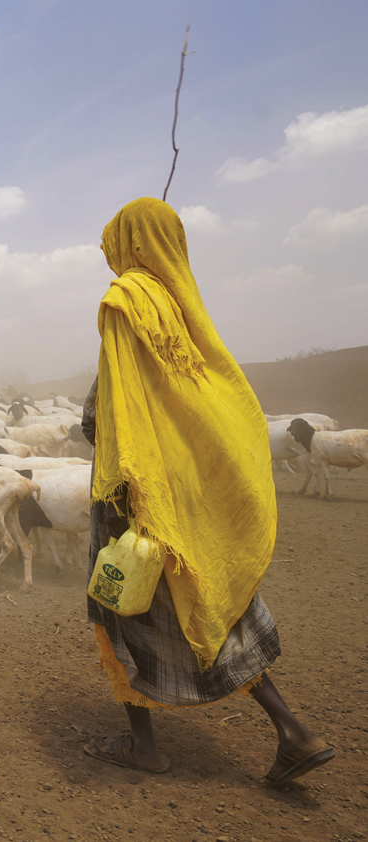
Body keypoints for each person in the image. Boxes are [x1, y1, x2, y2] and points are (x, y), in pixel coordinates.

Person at [81, 197, 333, 784]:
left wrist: (123, 488)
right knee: (214, 609)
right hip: (194, 491)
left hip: (140, 493)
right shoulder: (184, 306)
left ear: (132, 242)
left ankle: (144, 747)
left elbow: (116, 413)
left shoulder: (125, 300)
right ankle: (292, 731)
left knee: (116, 604)